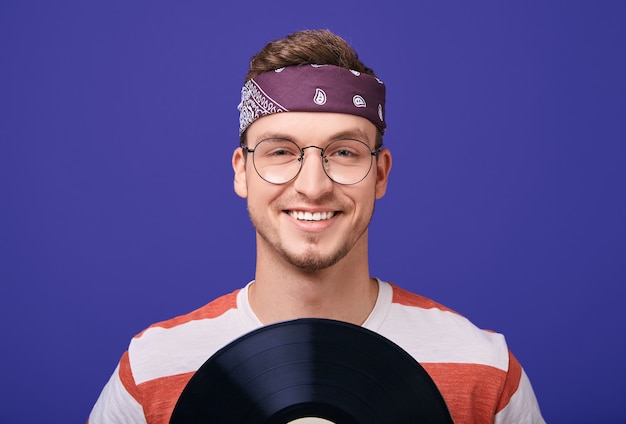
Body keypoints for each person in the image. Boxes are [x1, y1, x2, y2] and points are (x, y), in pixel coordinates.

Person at [89, 29, 544, 423]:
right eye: (280, 151)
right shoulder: (151, 372)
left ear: (380, 174)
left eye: (344, 152)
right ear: (241, 172)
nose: (313, 186)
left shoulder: (485, 371)